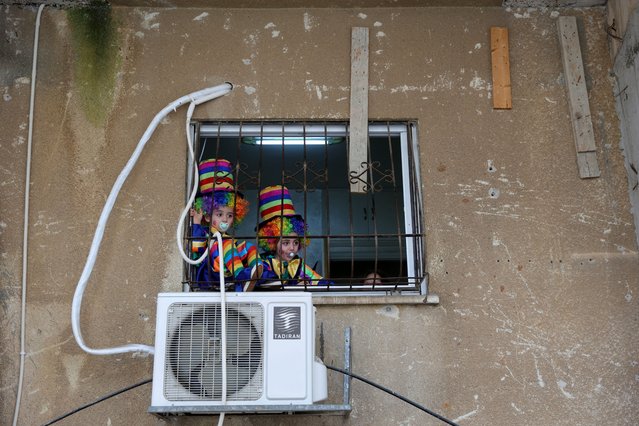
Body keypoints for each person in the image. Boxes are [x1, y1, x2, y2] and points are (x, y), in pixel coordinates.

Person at [190, 158, 262, 291]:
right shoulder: (206, 233)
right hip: (211, 274)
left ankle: (258, 276)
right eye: (219, 214)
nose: (225, 219)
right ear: (207, 215)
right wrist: (196, 222)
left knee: (248, 246)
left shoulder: (226, 237)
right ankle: (241, 275)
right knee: (227, 243)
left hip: (227, 274)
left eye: (229, 215)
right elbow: (196, 249)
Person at [256, 185, 330, 286]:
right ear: (271, 242)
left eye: (295, 242)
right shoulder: (263, 264)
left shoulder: (298, 266)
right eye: (286, 243)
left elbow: (322, 283)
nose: (292, 248)